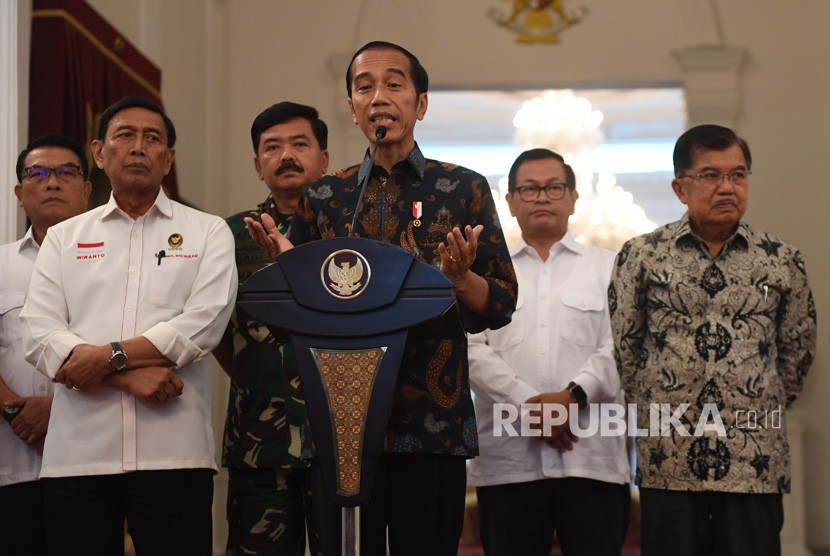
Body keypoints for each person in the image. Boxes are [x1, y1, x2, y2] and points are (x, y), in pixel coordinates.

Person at [247, 41, 517, 555]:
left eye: (394, 84)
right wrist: (290, 267)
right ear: (351, 108)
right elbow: (293, 317)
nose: (378, 97)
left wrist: (461, 279)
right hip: (340, 422)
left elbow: (502, 300)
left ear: (421, 104)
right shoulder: (325, 197)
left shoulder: (464, 189)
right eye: (364, 86)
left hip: (431, 427)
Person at [20, 96, 237, 555]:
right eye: (125, 136)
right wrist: (128, 373)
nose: (138, 147)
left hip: (174, 453)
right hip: (77, 455)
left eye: (152, 138)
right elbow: (39, 334)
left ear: (168, 158)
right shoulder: (63, 239)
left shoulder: (209, 232)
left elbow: (204, 324)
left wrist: (105, 357)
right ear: (100, 154)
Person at [609, 124, 817, 556]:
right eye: (710, 175)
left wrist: (757, 403)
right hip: (669, 458)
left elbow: (797, 350)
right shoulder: (642, 255)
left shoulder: (781, 258)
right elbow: (626, 347)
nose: (727, 187)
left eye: (738, 175)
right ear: (679, 187)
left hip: (753, 457)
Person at [467, 148, 630, 556]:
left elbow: (624, 344)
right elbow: (469, 347)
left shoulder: (611, 267)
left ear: (573, 198)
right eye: (530, 188)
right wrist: (527, 403)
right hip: (508, 460)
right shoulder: (484, 274)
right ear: (510, 201)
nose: (542, 196)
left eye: (553, 187)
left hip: (591, 457)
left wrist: (572, 396)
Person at [214, 101, 329, 555]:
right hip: (257, 443)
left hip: (338, 439)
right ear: (258, 165)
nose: (287, 155)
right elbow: (213, 328)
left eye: (300, 144)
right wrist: (251, 372)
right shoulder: (227, 237)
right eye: (272, 147)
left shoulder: (350, 233)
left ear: (323, 158)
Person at [0, 133, 92, 555]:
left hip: (91, 464)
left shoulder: (116, 265)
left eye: (66, 172)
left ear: (87, 189)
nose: (51, 182)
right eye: (37, 173)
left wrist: (58, 412)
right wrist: (14, 410)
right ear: (20, 193)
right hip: (10, 463)